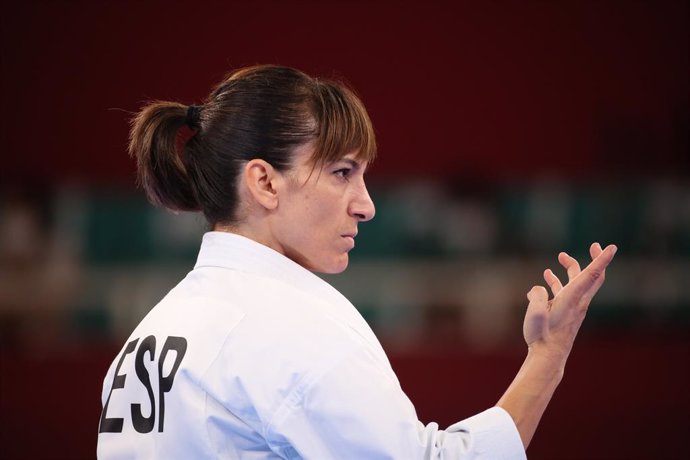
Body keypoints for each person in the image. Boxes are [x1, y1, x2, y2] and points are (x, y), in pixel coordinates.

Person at [97, 64, 616, 459]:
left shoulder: (149, 333)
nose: (366, 205)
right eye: (343, 172)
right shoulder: (288, 324)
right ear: (263, 182)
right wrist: (547, 358)